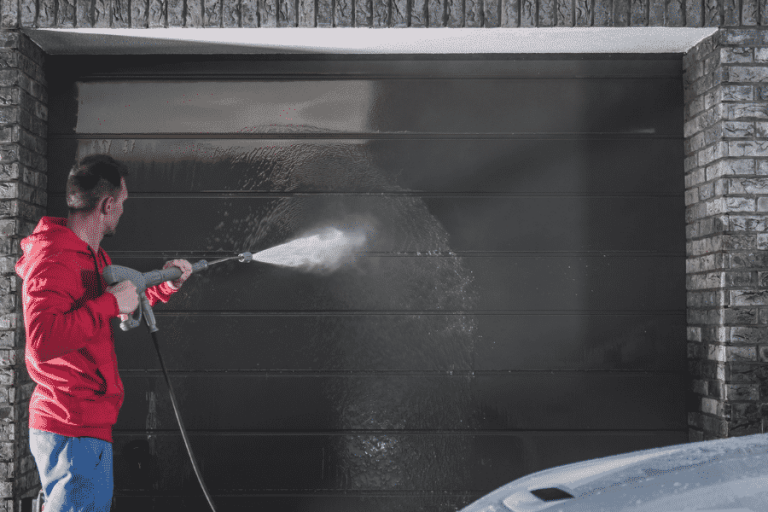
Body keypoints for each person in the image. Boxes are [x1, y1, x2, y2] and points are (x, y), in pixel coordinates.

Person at [14, 154, 193, 512]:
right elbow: (41, 342)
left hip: (86, 423)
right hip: (70, 424)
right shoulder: (55, 261)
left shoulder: (91, 257)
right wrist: (109, 304)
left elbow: (122, 299)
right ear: (107, 204)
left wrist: (167, 282)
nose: (123, 211)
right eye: (122, 203)